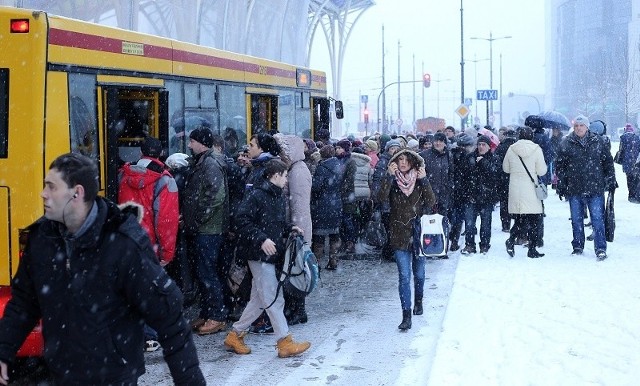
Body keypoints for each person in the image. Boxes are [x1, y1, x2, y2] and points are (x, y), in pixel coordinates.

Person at [0, 153, 205, 385]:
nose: (43, 193)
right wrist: (3, 351)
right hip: (60, 375)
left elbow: (169, 318)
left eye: (51, 187)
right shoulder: (42, 238)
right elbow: (23, 305)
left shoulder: (123, 243)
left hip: (113, 377)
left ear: (76, 193)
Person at [223, 159, 311, 358]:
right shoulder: (257, 195)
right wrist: (261, 239)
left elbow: (274, 223)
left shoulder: (274, 195)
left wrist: (289, 228)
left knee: (260, 300)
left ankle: (235, 335)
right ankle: (284, 341)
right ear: (276, 175)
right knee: (273, 298)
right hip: (258, 254)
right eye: (285, 176)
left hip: (266, 254)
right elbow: (241, 221)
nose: (287, 180)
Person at [117, 136, 180, 351]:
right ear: (161, 152)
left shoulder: (123, 174)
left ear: (141, 152)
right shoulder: (165, 180)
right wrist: (167, 254)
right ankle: (149, 335)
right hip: (148, 244)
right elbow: (166, 221)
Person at [378, 148, 436, 330]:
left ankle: (419, 300)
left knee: (419, 274)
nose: (402, 163)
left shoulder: (419, 180)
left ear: (412, 162)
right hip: (399, 234)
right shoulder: (393, 181)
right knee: (404, 277)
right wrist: (388, 177)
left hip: (418, 235)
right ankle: (406, 315)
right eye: (399, 159)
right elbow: (380, 198)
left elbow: (431, 201)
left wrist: (424, 179)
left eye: (406, 159)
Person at [182, 128, 230, 335]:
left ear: (201, 143)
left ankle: (217, 316)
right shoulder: (205, 161)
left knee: (208, 272)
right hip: (204, 228)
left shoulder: (210, 164)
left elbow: (215, 196)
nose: (189, 145)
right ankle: (207, 312)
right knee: (203, 272)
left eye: (192, 141)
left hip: (209, 229)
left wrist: (197, 217)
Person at [555, 115, 617, 260]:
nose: (578, 128)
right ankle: (577, 245)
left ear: (587, 127)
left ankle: (600, 248)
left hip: (595, 187)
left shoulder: (598, 141)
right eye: (576, 126)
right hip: (574, 188)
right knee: (576, 220)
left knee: (597, 220)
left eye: (581, 125)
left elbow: (608, 162)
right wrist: (563, 183)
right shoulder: (566, 143)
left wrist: (611, 179)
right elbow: (560, 166)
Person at [274, 134, 313, 325]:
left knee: (296, 270)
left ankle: (298, 310)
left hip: (298, 229)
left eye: (283, 151)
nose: (280, 155)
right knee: (292, 269)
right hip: (295, 228)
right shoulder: (294, 168)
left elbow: (299, 206)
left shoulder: (297, 172)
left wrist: (297, 231)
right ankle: (295, 308)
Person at [502, 127, 547, 258]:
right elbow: (542, 171)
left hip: (516, 189)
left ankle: (511, 239)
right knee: (534, 220)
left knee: (520, 219)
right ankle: (532, 249)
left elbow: (505, 168)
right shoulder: (537, 149)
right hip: (531, 190)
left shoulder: (511, 149)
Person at [463, 135, 498, 254]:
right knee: (469, 224)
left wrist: (484, 163)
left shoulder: (493, 158)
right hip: (471, 195)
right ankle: (469, 245)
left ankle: (484, 245)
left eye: (484, 145)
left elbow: (495, 174)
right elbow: (464, 176)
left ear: (489, 147)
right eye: (479, 144)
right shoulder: (470, 157)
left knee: (486, 224)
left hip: (487, 196)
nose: (481, 147)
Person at [310, 145, 344, 269]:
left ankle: (316, 263)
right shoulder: (339, 165)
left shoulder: (321, 168)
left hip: (322, 204)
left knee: (319, 235)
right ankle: (333, 260)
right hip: (336, 203)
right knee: (334, 234)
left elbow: (316, 186)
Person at [494, 128, 518, 232]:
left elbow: (497, 163)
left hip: (503, 178)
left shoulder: (501, 147)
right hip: (516, 178)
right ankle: (517, 222)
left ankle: (505, 224)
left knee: (504, 202)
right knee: (516, 201)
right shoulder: (517, 148)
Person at [617, 123, 640, 202]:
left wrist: (619, 159)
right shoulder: (637, 137)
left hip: (627, 161)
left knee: (629, 178)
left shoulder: (623, 138)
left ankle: (630, 194)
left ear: (625, 130)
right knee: (636, 179)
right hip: (636, 161)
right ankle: (635, 195)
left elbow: (621, 150)